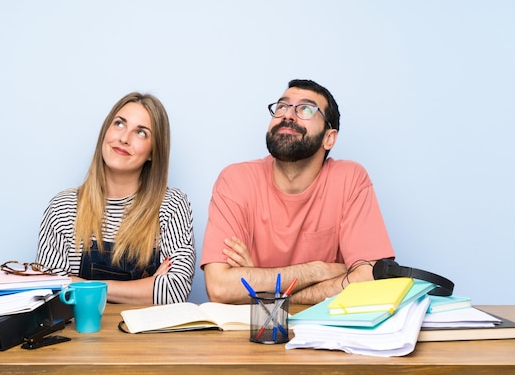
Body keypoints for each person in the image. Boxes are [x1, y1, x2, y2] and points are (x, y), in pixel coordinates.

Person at [200, 79, 395, 305]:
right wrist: (316, 271)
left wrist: (264, 290)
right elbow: (220, 288)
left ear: (328, 138)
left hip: (327, 334)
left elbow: (370, 279)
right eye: (282, 107)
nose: (288, 115)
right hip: (251, 335)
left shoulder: (350, 179)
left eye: (306, 109)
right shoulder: (235, 180)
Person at [36, 92, 195, 305]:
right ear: (105, 132)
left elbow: (174, 292)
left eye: (141, 132)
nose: (124, 138)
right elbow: (50, 292)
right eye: (119, 124)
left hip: (149, 338)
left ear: (152, 152)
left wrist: (77, 284)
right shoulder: (64, 208)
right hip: (81, 336)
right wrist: (149, 287)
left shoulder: (171, 205)